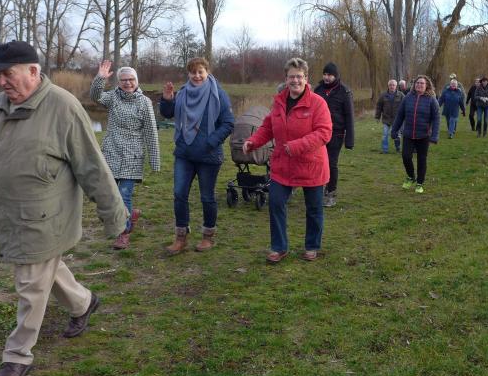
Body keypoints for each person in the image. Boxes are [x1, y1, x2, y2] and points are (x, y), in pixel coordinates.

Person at [0, 40, 128, 376]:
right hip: (10, 215)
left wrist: (114, 216)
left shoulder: (63, 107)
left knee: (31, 285)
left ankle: (17, 355)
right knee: (46, 270)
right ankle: (83, 303)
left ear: (33, 71)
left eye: (8, 74)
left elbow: (92, 167)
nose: (1, 82)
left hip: (45, 218)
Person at [243, 58, 332, 263]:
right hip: (283, 164)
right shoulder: (279, 102)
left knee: (314, 208)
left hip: (312, 165)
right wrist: (253, 141)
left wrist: (298, 145)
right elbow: (267, 127)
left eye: (299, 76)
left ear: (306, 78)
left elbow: (324, 132)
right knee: (275, 203)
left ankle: (312, 246)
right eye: (292, 77)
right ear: (286, 78)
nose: (295, 81)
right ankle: (279, 247)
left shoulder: (318, 103)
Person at [159, 57, 234, 253]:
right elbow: (168, 114)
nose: (197, 76)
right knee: (179, 194)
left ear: (207, 72)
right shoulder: (183, 92)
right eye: (193, 72)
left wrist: (210, 142)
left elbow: (228, 123)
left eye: (201, 71)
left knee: (207, 197)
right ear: (189, 73)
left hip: (209, 155)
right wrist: (167, 99)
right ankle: (181, 237)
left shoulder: (219, 94)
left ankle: (208, 236)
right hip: (184, 153)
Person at [90, 61, 160, 250]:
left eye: (131, 79)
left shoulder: (144, 102)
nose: (128, 83)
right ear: (119, 82)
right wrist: (100, 79)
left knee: (124, 194)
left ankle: (124, 233)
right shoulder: (113, 97)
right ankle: (130, 216)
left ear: (136, 81)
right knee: (109, 195)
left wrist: (155, 161)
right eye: (123, 80)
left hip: (132, 156)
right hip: (112, 152)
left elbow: (151, 132)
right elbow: (95, 96)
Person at [313, 62, 355, 207]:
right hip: (318, 133)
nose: (326, 77)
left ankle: (331, 193)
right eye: (324, 74)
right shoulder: (318, 90)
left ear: (336, 76)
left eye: (329, 75)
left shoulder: (345, 92)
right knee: (317, 162)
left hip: (336, 133)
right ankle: (317, 189)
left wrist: (349, 140)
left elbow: (349, 116)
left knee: (331, 164)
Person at [391, 75, 440, 194]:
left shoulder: (431, 100)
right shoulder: (407, 98)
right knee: (406, 156)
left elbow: (436, 119)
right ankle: (411, 176)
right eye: (417, 83)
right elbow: (400, 115)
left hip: (423, 135)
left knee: (421, 159)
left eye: (422, 83)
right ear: (414, 85)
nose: (419, 85)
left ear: (426, 85)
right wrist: (394, 130)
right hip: (408, 134)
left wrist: (434, 135)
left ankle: (419, 183)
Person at [374, 79, 404, 153]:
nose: (392, 86)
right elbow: (379, 106)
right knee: (385, 135)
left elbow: (405, 105)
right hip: (386, 119)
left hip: (397, 119)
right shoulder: (383, 95)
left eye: (393, 85)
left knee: (397, 135)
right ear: (388, 86)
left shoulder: (401, 95)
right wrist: (377, 117)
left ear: (396, 86)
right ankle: (385, 150)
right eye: (390, 85)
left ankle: (398, 148)